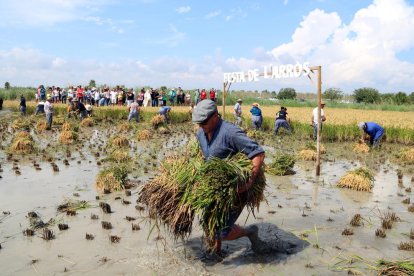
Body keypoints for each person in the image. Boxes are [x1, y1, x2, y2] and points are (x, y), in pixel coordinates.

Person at [192, 99, 266, 255]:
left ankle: (250, 232)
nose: (201, 126)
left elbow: (258, 153)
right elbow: (205, 157)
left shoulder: (231, 133)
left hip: (237, 189)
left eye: (204, 122)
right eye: (199, 123)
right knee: (209, 223)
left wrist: (249, 181)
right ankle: (216, 254)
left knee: (222, 231)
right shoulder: (201, 133)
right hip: (215, 188)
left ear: (215, 116)